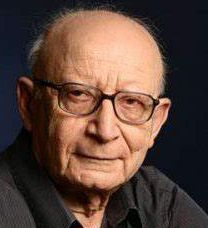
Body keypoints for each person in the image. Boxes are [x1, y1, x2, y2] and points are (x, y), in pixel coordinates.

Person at [0, 8, 207, 228]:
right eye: (79, 94)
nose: (105, 131)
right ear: (29, 104)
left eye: (131, 102)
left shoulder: (158, 202)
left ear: (155, 122)